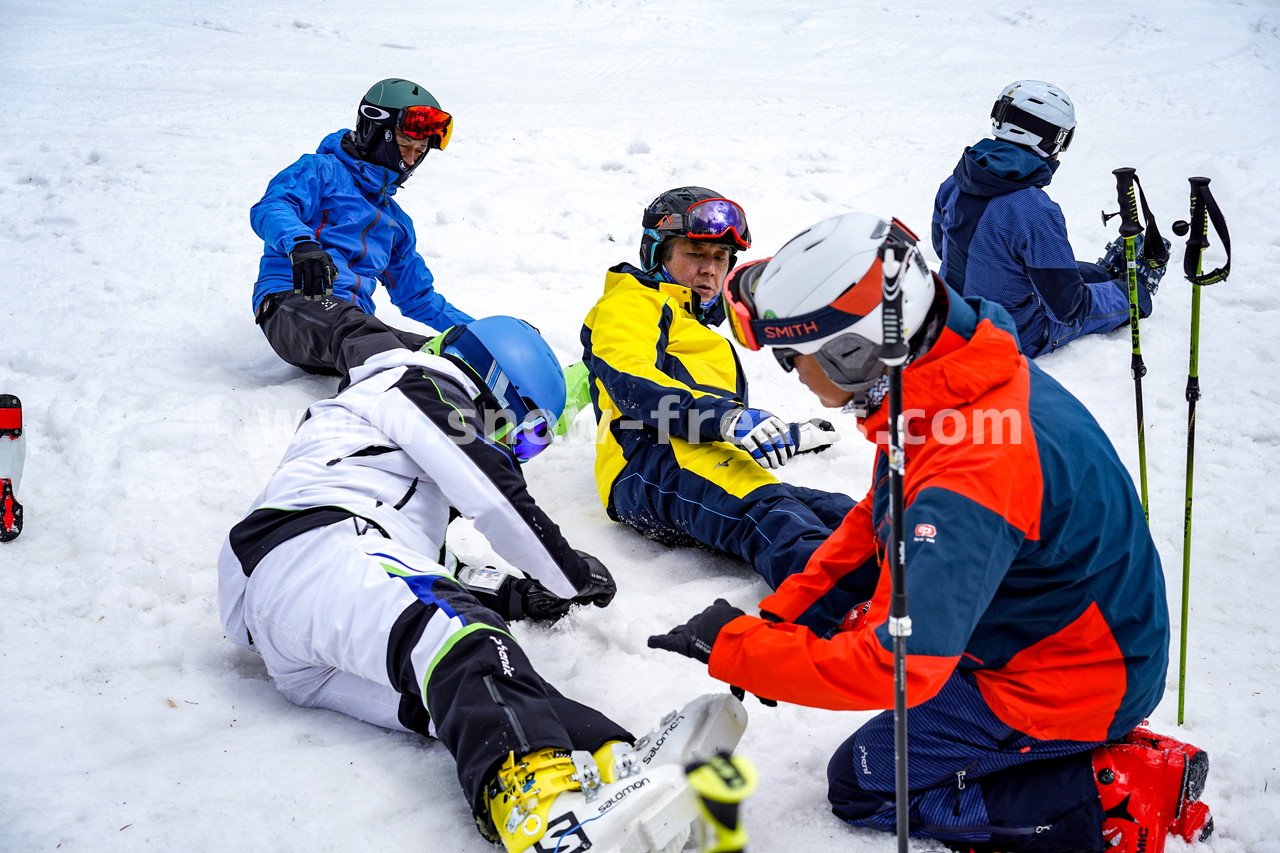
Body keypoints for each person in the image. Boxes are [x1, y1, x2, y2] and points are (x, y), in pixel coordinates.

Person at [649, 212, 1213, 853]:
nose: (792, 375)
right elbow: (874, 519)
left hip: (1064, 677)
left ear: (852, 351)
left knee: (862, 784)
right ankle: (1059, 751)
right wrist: (783, 619)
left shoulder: (968, 468)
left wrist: (742, 650)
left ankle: (1107, 786)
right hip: (1059, 636)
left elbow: (897, 665)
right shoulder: (946, 380)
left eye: (791, 358)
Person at [218, 314, 750, 852]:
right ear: (496, 388)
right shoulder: (415, 385)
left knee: (485, 687)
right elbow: (494, 496)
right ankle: (543, 813)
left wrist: (519, 594)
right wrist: (566, 573)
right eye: (527, 432)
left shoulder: (386, 465)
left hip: (300, 630)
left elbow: (437, 571)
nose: (519, 450)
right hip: (316, 549)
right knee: (464, 640)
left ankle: (616, 760)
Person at [580, 186, 855, 590]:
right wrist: (726, 418)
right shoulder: (631, 303)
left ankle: (940, 588)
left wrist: (786, 435)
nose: (710, 269)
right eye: (694, 254)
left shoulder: (695, 330)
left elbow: (712, 426)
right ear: (657, 254)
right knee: (777, 522)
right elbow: (631, 379)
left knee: (849, 516)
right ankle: (854, 618)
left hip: (702, 462)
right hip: (648, 461)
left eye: (720, 258)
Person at [249, 78, 474, 378]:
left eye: (419, 152)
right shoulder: (322, 170)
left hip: (354, 328)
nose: (409, 161)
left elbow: (419, 298)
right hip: (291, 302)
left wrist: (482, 335)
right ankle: (380, 407)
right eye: (405, 145)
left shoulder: (396, 224)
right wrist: (301, 244)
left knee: (444, 357)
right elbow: (273, 206)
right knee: (367, 338)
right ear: (373, 133)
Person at [931, 80, 1167, 358]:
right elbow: (1069, 310)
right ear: (1043, 139)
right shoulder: (1034, 210)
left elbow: (941, 247)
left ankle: (1105, 276)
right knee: (1087, 297)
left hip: (950, 316)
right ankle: (1135, 291)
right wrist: (1129, 295)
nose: (1061, 150)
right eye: (1062, 139)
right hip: (1012, 335)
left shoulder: (955, 182)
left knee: (1061, 272)